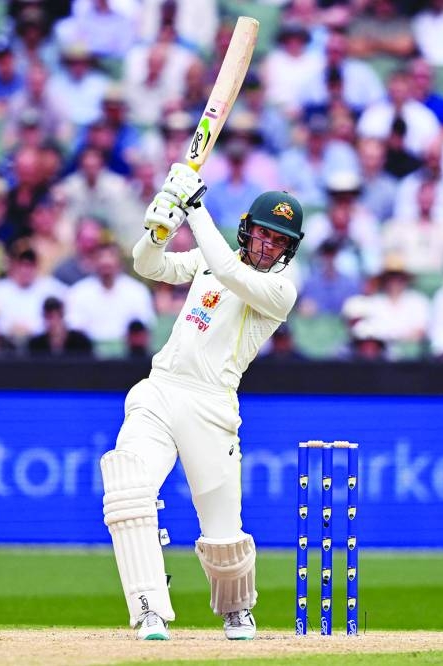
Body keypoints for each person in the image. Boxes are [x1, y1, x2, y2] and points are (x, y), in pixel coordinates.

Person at [101, 163, 305, 641]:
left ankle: (236, 609)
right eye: (262, 234)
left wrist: (193, 208)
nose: (267, 245)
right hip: (160, 387)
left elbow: (231, 273)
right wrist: (157, 229)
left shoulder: (279, 290)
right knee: (128, 488)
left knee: (222, 532)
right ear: (247, 230)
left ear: (287, 249)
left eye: (278, 241)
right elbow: (149, 266)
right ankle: (149, 607)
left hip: (211, 408)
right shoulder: (211, 258)